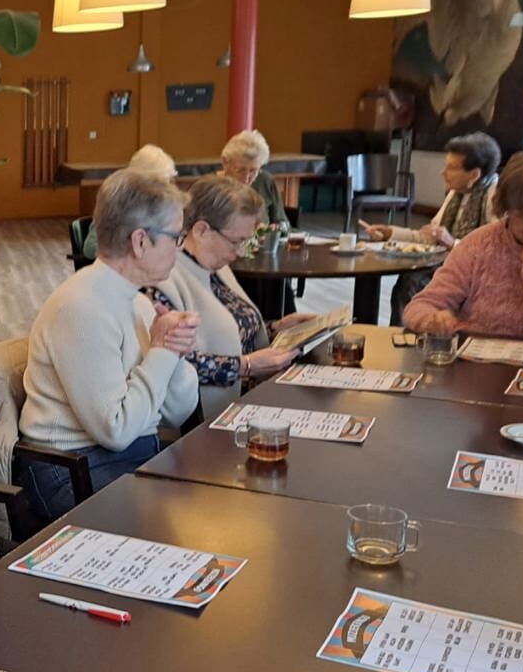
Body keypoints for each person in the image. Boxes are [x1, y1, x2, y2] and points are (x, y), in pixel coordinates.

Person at [18, 166, 200, 522]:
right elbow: (115, 429)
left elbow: (177, 413)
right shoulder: (82, 307)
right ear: (140, 241)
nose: (180, 247)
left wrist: (173, 353)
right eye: (176, 237)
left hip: (128, 453)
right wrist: (161, 352)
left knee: (216, 495)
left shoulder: (137, 300)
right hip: (72, 469)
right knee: (180, 520)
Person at [153, 175, 319, 417]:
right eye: (237, 241)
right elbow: (173, 364)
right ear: (201, 230)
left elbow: (233, 332)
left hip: (253, 397)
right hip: (209, 420)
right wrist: (246, 366)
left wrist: (276, 328)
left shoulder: (215, 265)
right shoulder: (165, 278)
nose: (241, 251)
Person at [404, 149, 523, 341]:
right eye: (520, 213)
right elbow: (420, 306)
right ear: (505, 207)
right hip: (474, 361)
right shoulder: (479, 244)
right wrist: (432, 320)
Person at [364, 132, 502, 323]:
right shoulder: (457, 193)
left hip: (474, 276)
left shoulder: (494, 196)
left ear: (474, 174)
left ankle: (410, 337)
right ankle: (405, 336)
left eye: (451, 167)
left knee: (412, 283)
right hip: (449, 265)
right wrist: (390, 233)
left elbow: (497, 250)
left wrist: (452, 243)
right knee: (408, 280)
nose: (443, 172)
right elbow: (431, 235)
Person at [81, 144, 177, 260]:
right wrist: (130, 249)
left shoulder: (164, 208)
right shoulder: (117, 203)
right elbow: (90, 249)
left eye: (167, 182)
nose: (165, 189)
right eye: (160, 183)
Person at [219, 129, 290, 229]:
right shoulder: (210, 187)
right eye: (241, 170)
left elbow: (284, 224)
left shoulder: (265, 181)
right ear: (225, 163)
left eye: (253, 170)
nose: (247, 178)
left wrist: (273, 228)